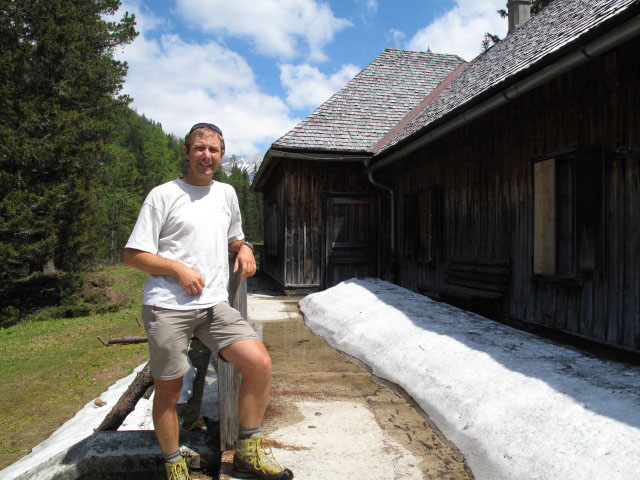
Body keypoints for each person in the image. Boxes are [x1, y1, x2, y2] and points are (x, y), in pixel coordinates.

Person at [123, 123, 294, 480]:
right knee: (169, 389)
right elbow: (134, 255)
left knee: (258, 363)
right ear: (186, 152)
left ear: (221, 154)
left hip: (213, 306)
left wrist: (245, 247)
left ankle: (247, 452)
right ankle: (174, 464)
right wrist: (176, 269)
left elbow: (233, 237)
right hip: (167, 307)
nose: (207, 156)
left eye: (214, 150)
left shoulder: (226, 194)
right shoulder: (163, 195)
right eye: (200, 148)